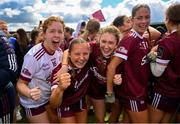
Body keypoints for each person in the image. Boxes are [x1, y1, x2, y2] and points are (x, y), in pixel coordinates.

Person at [106, 4, 151, 123]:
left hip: (140, 91)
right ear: (132, 20)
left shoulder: (144, 39)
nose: (144, 21)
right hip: (132, 94)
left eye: (147, 17)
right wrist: (109, 93)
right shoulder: (129, 39)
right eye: (139, 18)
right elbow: (112, 66)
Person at [16, 16, 65, 123]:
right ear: (44, 34)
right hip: (33, 102)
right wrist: (29, 93)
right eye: (52, 31)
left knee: (57, 121)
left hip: (48, 98)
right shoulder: (34, 56)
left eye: (60, 32)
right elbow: (20, 84)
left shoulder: (59, 52)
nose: (56, 35)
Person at [148, 3, 180, 123]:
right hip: (177, 92)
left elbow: (157, 72)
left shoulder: (167, 42)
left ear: (168, 19)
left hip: (163, 91)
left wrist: (152, 56)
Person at [50, 38, 91, 123]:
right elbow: (53, 104)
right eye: (77, 54)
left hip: (80, 102)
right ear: (69, 54)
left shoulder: (89, 63)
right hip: (65, 104)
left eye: (85, 54)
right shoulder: (59, 72)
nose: (82, 58)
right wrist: (60, 89)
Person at [87, 26, 122, 123]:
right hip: (89, 89)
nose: (106, 46)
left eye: (111, 43)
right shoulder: (92, 47)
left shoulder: (119, 57)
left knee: (105, 117)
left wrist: (116, 82)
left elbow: (114, 82)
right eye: (103, 41)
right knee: (86, 117)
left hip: (105, 92)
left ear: (117, 44)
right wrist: (64, 65)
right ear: (99, 40)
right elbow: (69, 51)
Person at [0, 20, 18, 123]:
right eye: (3, 29)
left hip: (5, 90)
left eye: (6, 29)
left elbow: (13, 65)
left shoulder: (10, 41)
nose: (5, 31)